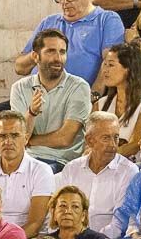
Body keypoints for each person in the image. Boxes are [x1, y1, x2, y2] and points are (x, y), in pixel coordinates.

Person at [14, 0, 125, 88]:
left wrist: (94, 97)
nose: (65, 1)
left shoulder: (107, 20)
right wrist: (39, 54)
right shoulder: (48, 22)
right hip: (38, 95)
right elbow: (19, 68)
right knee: (0, 108)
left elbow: (110, 64)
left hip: (79, 97)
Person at [9, 28, 92, 169]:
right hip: (26, 158)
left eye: (62, 52)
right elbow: (19, 136)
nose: (58, 58)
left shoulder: (79, 87)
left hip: (60, 161)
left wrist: (30, 140)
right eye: (51, 51)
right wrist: (31, 113)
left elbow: (65, 139)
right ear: (35, 57)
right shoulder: (19, 88)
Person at [0, 110, 55, 236]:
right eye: (3, 136)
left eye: (15, 135)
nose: (8, 142)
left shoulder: (41, 171)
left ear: (26, 138)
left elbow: (34, 225)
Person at [58, 111, 137, 236]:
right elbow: (59, 210)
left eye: (116, 137)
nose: (113, 145)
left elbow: (120, 222)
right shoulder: (71, 169)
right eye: (106, 138)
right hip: (71, 238)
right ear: (89, 141)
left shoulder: (128, 171)